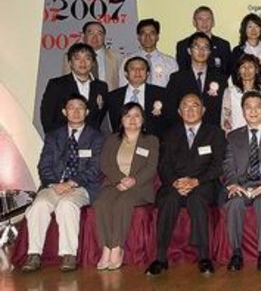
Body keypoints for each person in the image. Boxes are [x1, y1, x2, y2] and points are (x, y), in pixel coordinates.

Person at [146, 94, 227, 275]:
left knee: (197, 200)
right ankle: (160, 257)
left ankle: (204, 257)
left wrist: (196, 181)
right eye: (185, 106)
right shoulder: (169, 133)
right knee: (168, 200)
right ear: (179, 111)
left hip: (204, 182)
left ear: (203, 110)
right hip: (175, 182)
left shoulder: (215, 133)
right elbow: (164, 164)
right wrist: (175, 182)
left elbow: (219, 164)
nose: (190, 110)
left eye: (195, 106)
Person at [21, 95, 104, 273]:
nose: (75, 111)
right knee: (39, 205)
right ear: (64, 112)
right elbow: (44, 165)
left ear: (87, 111)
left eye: (80, 107)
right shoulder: (53, 136)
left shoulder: (97, 137)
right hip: (54, 185)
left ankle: (69, 255)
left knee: (67, 205)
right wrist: (53, 184)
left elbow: (96, 168)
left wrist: (72, 183)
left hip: (82, 186)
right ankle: (34, 254)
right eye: (71, 108)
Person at [221, 91, 261, 271]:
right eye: (248, 107)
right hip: (242, 185)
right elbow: (228, 165)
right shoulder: (233, 137)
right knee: (234, 202)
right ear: (242, 111)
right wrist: (233, 184)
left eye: (257, 106)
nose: (253, 111)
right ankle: (236, 253)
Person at [94, 102, 159, 270]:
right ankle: (106, 248)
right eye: (128, 116)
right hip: (114, 183)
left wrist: (133, 180)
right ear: (121, 120)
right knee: (101, 203)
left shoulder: (151, 140)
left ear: (143, 120)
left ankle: (117, 248)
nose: (132, 119)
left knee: (123, 202)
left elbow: (151, 167)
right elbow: (105, 164)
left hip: (140, 187)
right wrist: (121, 179)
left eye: (137, 116)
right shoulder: (112, 140)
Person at [41, 43, 109, 134]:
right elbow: (47, 116)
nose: (83, 62)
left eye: (87, 58)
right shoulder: (56, 85)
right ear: (70, 63)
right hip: (62, 141)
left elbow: (100, 116)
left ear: (93, 63)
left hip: (91, 141)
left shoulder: (101, 87)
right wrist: (55, 140)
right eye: (77, 59)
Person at [165, 32, 228, 128]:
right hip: (185, 132)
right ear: (189, 51)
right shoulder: (177, 78)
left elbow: (224, 110)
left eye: (205, 47)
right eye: (197, 47)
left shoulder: (220, 79)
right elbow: (170, 110)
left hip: (213, 133)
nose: (201, 51)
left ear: (210, 52)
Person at [106, 56, 168, 136]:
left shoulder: (162, 94)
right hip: (122, 142)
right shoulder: (113, 96)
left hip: (153, 143)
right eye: (133, 69)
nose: (137, 72)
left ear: (148, 73)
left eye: (142, 69)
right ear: (126, 74)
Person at [175, 6, 232, 78]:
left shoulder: (223, 45)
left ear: (213, 22)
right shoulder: (183, 45)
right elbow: (182, 70)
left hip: (217, 86)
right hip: (190, 87)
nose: (204, 22)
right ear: (194, 22)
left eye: (208, 19)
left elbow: (226, 71)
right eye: (200, 19)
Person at [221, 54, 261, 133]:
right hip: (237, 136)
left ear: (257, 70)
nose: (247, 70)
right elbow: (225, 120)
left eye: (250, 67)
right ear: (238, 70)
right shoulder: (230, 92)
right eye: (243, 67)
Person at [63, 21, 122, 88]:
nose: (95, 37)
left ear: (104, 37)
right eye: (90, 33)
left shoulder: (117, 57)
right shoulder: (70, 56)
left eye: (99, 34)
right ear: (84, 36)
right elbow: (66, 83)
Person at [121, 18, 178, 87]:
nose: (147, 37)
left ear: (157, 37)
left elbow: (175, 88)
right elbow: (123, 87)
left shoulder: (170, 62)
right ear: (138, 37)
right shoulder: (128, 60)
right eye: (143, 33)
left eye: (152, 33)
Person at [229, 13, 261, 88]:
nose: (253, 30)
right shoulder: (237, 51)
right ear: (244, 29)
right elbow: (235, 76)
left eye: (257, 26)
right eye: (250, 27)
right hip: (242, 92)